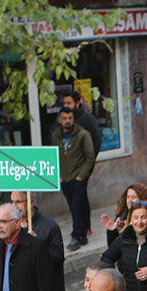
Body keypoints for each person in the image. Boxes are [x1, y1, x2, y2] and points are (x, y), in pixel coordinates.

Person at [52, 107, 96, 251]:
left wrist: (80, 176)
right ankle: (82, 234)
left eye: (70, 118)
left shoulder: (82, 135)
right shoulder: (56, 136)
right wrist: (58, 177)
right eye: (64, 118)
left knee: (77, 206)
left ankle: (76, 236)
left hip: (78, 177)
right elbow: (54, 156)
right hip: (64, 178)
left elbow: (90, 157)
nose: (67, 121)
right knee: (74, 206)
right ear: (60, 120)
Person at [10, 190, 63, 291]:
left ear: (31, 202)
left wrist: (37, 244)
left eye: (18, 202)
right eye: (12, 202)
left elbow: (57, 258)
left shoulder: (49, 225)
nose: (14, 206)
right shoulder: (12, 227)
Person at [102, 183, 147, 247]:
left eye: (133, 197)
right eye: (128, 197)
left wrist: (125, 231)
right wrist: (112, 230)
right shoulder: (121, 217)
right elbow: (112, 249)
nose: (130, 200)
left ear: (142, 199)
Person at [59, 90, 103, 155]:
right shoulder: (61, 118)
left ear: (77, 103)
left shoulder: (88, 119)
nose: (65, 106)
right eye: (64, 103)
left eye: (68, 103)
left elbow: (96, 140)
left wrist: (88, 161)